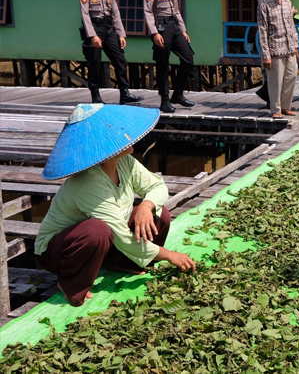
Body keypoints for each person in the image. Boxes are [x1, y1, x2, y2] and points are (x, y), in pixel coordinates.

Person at [35, 103, 196, 307]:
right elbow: (120, 235)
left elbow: (157, 186)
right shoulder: (88, 181)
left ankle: (125, 263)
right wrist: (170, 256)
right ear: (105, 145)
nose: (126, 135)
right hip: (59, 251)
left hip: (107, 239)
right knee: (97, 230)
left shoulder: (125, 162)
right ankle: (70, 284)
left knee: (159, 213)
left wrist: (146, 205)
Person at [79, 0, 143, 105]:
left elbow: (115, 13)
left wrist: (121, 34)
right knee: (95, 64)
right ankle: (95, 97)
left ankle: (125, 94)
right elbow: (85, 14)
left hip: (109, 29)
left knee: (120, 60)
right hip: (94, 29)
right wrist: (93, 35)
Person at [144, 0, 195, 113]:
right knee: (163, 65)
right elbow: (148, 11)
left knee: (188, 58)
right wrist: (154, 33)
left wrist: (183, 29)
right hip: (161, 27)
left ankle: (178, 94)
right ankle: (164, 100)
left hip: (174, 25)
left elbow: (176, 9)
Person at [257, 0, 299, 118]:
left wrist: (296, 46)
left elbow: (291, 25)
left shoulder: (287, 2)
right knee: (276, 81)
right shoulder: (264, 4)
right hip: (274, 49)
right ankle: (276, 109)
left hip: (289, 48)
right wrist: (266, 55)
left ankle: (286, 106)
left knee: (291, 77)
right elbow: (262, 31)